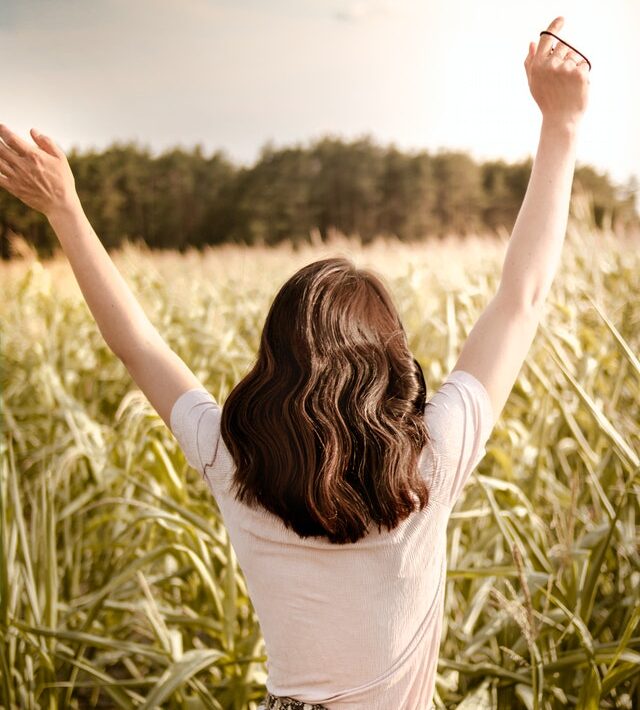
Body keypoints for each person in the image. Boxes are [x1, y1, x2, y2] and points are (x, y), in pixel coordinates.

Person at [0, 14, 590, 710]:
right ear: (391, 365)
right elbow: (520, 299)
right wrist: (563, 126)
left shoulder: (232, 460)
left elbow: (139, 346)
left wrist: (65, 208)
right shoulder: (430, 461)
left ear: (273, 363)